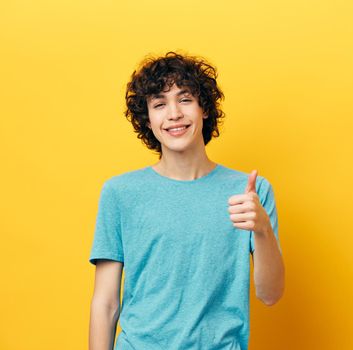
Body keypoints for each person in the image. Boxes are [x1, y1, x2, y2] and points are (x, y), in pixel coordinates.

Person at [88, 51, 285, 350]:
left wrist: (262, 229)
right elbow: (105, 303)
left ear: (204, 109)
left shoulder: (250, 193)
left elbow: (270, 294)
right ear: (148, 119)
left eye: (184, 99)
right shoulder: (120, 193)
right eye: (159, 104)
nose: (174, 114)